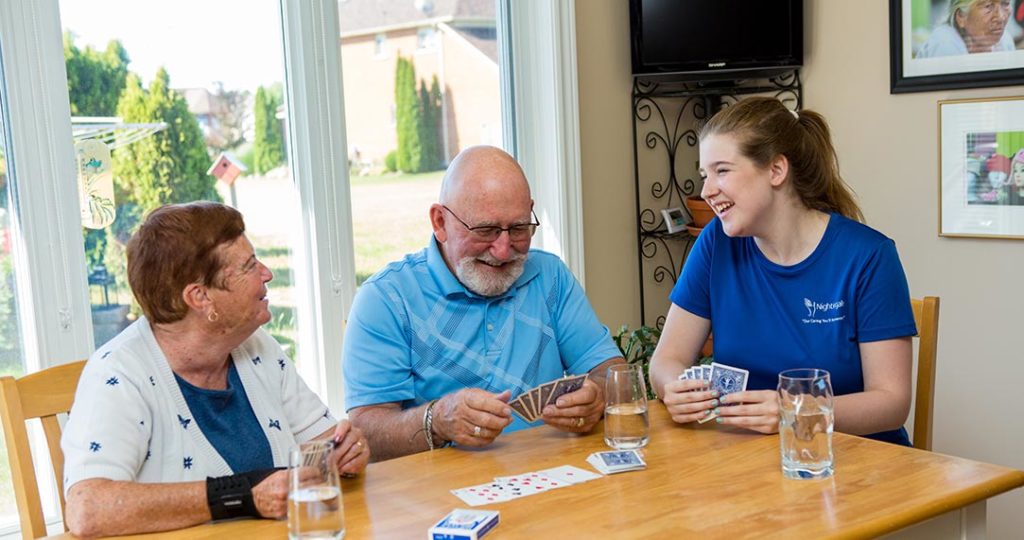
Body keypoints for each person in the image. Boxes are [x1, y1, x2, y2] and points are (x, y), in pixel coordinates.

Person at [61, 202, 369, 537]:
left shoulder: (255, 347)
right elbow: (87, 510)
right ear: (200, 297)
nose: (267, 273)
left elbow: (321, 443)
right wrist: (241, 497)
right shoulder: (119, 376)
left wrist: (344, 452)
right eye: (249, 266)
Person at [649, 97, 917, 446]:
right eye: (704, 174)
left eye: (722, 171)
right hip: (753, 460)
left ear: (776, 170)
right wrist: (675, 388)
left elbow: (891, 403)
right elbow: (666, 360)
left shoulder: (869, 257)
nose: (706, 191)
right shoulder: (716, 242)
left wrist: (797, 410)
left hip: (855, 461)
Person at [343, 145, 624, 461]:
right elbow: (366, 433)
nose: (503, 250)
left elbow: (617, 377)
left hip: (549, 480)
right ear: (439, 222)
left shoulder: (550, 276)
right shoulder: (386, 299)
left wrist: (597, 396)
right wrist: (436, 421)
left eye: (518, 228)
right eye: (485, 230)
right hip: (436, 498)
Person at [918, 0, 1014, 57]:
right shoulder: (944, 44)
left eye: (1005, 3)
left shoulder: (1005, 39)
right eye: (988, 6)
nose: (1001, 17)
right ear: (961, 16)